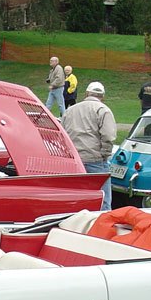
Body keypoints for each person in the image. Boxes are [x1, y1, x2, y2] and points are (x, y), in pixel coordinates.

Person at [62, 81, 116, 209]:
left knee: (76, 199)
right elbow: (108, 136)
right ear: (102, 96)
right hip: (95, 159)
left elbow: (62, 133)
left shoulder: (70, 110)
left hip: (74, 160)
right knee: (103, 200)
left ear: (86, 94)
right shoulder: (103, 110)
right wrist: (104, 154)